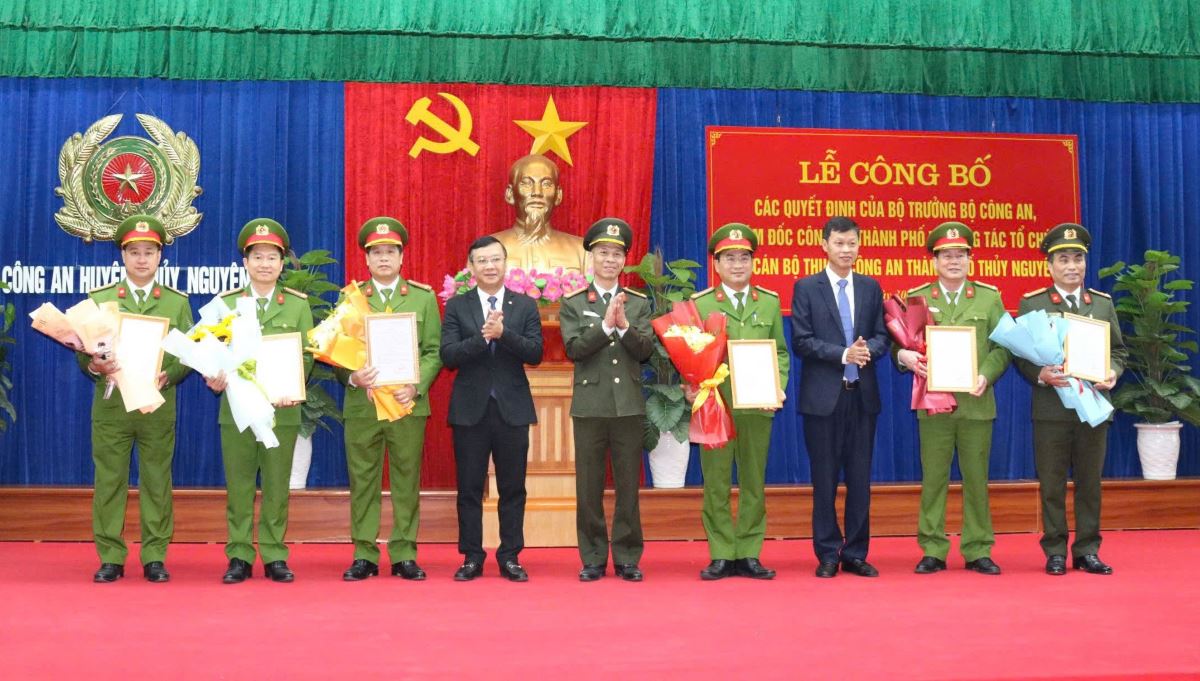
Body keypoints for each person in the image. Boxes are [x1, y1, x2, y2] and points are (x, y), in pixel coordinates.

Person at [81, 214, 193, 583]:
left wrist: (171, 373)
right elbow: (85, 355)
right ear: (123, 256)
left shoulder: (176, 304)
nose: (142, 259)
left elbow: (186, 354)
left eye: (149, 252)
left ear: (160, 256)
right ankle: (110, 555)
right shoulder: (101, 300)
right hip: (112, 406)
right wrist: (96, 365)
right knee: (109, 480)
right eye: (134, 252)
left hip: (156, 405)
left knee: (157, 480)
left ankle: (154, 555)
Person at [893, 222, 1010, 575]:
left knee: (977, 479)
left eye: (961, 254)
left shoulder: (990, 298)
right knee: (934, 479)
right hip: (934, 407)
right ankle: (933, 548)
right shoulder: (919, 298)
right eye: (947, 255)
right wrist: (904, 357)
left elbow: (1004, 346)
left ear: (971, 259)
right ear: (935, 260)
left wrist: (986, 375)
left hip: (976, 404)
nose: (954, 260)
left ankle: (977, 548)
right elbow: (905, 346)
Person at [1015, 223, 1125, 576]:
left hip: (1093, 408)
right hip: (1051, 410)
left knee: (1090, 484)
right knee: (1052, 484)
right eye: (1064, 259)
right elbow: (1021, 355)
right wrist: (1040, 375)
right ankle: (1055, 550)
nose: (1072, 265)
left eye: (1078, 258)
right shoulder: (1033, 303)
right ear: (1050, 266)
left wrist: (1112, 372)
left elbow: (1120, 352)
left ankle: (1088, 549)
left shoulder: (1103, 305)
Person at [208, 218, 314, 584]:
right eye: (258, 257)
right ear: (245, 262)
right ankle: (238, 554)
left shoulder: (297, 306)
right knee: (238, 486)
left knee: (275, 486)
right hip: (237, 411)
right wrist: (214, 375)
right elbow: (212, 352)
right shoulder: (225, 305)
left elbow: (306, 356)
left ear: (282, 263)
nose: (265, 264)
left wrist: (293, 384)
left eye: (272, 257)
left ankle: (273, 554)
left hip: (281, 410)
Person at [338, 217, 443, 581]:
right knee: (362, 480)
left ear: (401, 257)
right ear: (366, 259)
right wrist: (352, 376)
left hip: (405, 404)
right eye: (376, 252)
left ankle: (404, 553)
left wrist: (416, 385)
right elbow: (334, 353)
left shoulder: (422, 297)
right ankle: (364, 553)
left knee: (405, 478)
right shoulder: (350, 299)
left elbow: (433, 350)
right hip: (364, 405)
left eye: (390, 252)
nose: (383, 258)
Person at [792, 216, 890, 578]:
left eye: (852, 244)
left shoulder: (869, 287)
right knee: (825, 479)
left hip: (862, 398)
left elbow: (883, 334)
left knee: (861, 479)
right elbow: (801, 341)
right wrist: (842, 354)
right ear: (825, 245)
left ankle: (856, 552)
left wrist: (868, 350)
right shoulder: (807, 287)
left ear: (859, 246)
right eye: (839, 243)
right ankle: (828, 553)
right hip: (822, 400)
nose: (846, 250)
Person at [440, 235, 544, 581]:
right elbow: (448, 356)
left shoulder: (525, 305)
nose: (489, 266)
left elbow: (535, 353)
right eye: (482, 261)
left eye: (495, 259)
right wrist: (483, 338)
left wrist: (504, 334)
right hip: (470, 409)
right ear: (471, 266)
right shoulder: (457, 306)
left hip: (512, 409)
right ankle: (471, 556)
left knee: (513, 488)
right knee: (469, 487)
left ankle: (510, 555)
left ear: (505, 263)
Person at [690, 223, 790, 580]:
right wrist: (693, 384)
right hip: (715, 404)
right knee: (715, 480)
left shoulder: (769, 302)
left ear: (752, 262)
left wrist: (777, 384)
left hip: (757, 404)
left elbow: (779, 351)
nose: (737, 265)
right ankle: (720, 552)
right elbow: (692, 354)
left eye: (744, 258)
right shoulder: (701, 305)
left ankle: (748, 550)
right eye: (729, 258)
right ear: (716, 264)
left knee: (753, 479)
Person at [559, 218, 654, 582]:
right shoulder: (575, 303)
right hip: (590, 406)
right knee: (589, 486)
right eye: (603, 253)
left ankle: (628, 556)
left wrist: (625, 327)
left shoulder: (639, 303)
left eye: (616, 254)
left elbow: (645, 350)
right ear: (592, 259)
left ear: (624, 260)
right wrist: (604, 327)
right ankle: (593, 556)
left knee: (629, 485)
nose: (610, 260)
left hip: (628, 405)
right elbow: (574, 348)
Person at [491, 154, 588, 275]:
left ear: (558, 195)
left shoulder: (581, 251)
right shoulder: (485, 250)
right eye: (526, 184)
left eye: (546, 184)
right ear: (510, 194)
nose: (537, 192)